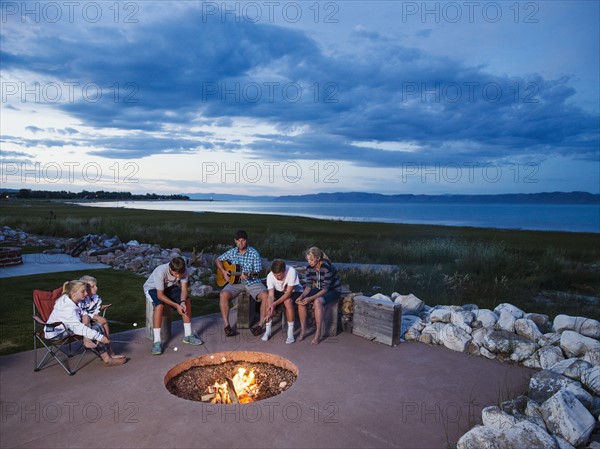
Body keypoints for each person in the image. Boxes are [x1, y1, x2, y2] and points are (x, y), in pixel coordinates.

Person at [44, 280, 127, 366]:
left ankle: (89, 341)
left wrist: (93, 317)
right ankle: (107, 359)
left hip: (67, 327)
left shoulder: (73, 299)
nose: (86, 293)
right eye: (83, 291)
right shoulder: (67, 309)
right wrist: (100, 337)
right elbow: (78, 328)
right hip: (57, 333)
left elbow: (83, 313)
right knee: (96, 328)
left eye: (86, 290)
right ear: (73, 293)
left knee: (89, 319)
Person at [143, 256, 203, 355]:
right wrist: (176, 305)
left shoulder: (183, 270)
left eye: (181, 274)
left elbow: (184, 290)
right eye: (176, 274)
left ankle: (188, 335)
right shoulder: (161, 271)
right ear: (170, 268)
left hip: (168, 288)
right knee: (159, 305)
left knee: (187, 300)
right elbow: (160, 295)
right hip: (152, 289)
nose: (178, 277)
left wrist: (182, 302)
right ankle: (157, 341)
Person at [216, 230, 268, 337]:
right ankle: (227, 326)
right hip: (235, 282)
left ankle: (259, 326)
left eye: (243, 241)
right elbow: (218, 260)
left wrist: (248, 275)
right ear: (235, 241)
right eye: (238, 241)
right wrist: (224, 271)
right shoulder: (232, 252)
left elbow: (258, 273)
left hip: (252, 281)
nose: (240, 243)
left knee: (266, 296)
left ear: (246, 241)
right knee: (223, 294)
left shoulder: (254, 253)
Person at [296, 246, 342, 345]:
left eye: (311, 260)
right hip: (321, 288)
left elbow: (326, 289)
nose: (309, 262)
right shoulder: (309, 268)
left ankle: (318, 333)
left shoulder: (326, 266)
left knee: (318, 301)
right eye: (308, 260)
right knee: (301, 301)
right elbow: (308, 287)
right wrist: (302, 296)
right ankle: (303, 330)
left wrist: (311, 298)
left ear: (317, 258)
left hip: (333, 289)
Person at [79, 275, 125, 359]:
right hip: (82, 321)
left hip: (91, 318)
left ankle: (109, 347)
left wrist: (100, 307)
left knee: (103, 322)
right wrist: (96, 317)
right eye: (92, 287)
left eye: (96, 285)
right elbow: (82, 312)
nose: (96, 288)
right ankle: (108, 350)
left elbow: (92, 306)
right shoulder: (81, 298)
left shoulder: (95, 297)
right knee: (102, 321)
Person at [262, 259, 302, 344]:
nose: (277, 277)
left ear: (284, 271)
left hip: (294, 292)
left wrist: (274, 304)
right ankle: (268, 331)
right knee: (268, 299)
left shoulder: (291, 271)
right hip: (279, 291)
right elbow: (271, 295)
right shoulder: (270, 276)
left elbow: (288, 294)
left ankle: (290, 334)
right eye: (275, 275)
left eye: (279, 275)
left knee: (287, 301)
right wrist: (270, 309)